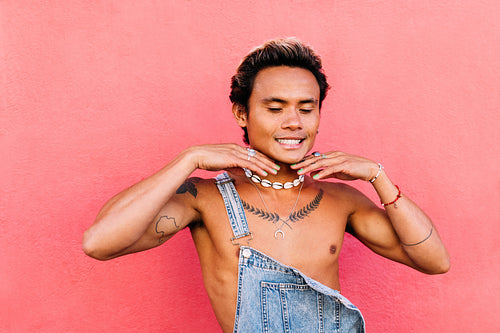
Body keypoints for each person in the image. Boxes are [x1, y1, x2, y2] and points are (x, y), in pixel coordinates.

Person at [83, 38, 450, 332]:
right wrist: (187, 160)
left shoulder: (340, 200)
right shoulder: (205, 198)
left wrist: (377, 176)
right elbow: (99, 243)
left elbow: (435, 261)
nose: (293, 122)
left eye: (307, 108)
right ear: (242, 113)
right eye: (275, 109)